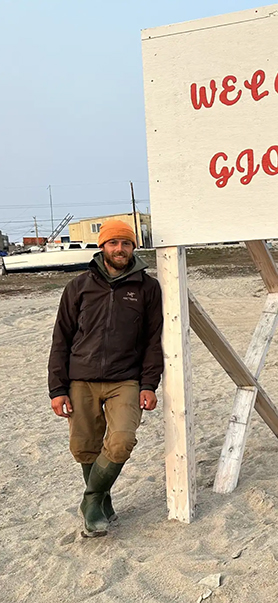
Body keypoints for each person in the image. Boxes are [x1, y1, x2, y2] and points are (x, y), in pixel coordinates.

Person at [48, 219, 163, 538]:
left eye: (126, 243)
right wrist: (57, 389)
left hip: (125, 379)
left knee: (123, 439)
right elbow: (61, 339)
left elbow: (154, 339)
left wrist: (149, 384)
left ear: (133, 248)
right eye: (113, 243)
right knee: (84, 447)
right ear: (102, 246)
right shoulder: (78, 287)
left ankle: (91, 499)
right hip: (80, 378)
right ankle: (101, 502)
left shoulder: (148, 287)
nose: (120, 249)